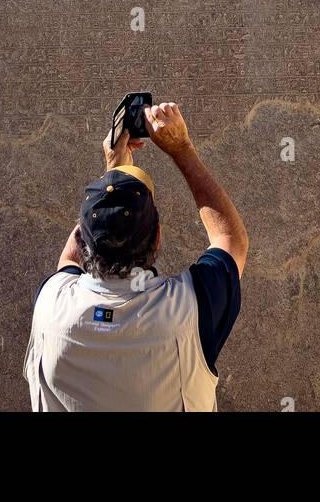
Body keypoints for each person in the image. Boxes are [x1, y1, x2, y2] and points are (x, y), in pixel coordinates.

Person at [24, 101, 248, 412]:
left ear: (85, 241)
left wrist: (112, 179)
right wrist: (181, 149)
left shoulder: (51, 303)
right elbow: (229, 239)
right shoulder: (191, 307)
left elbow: (68, 262)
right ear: (157, 237)